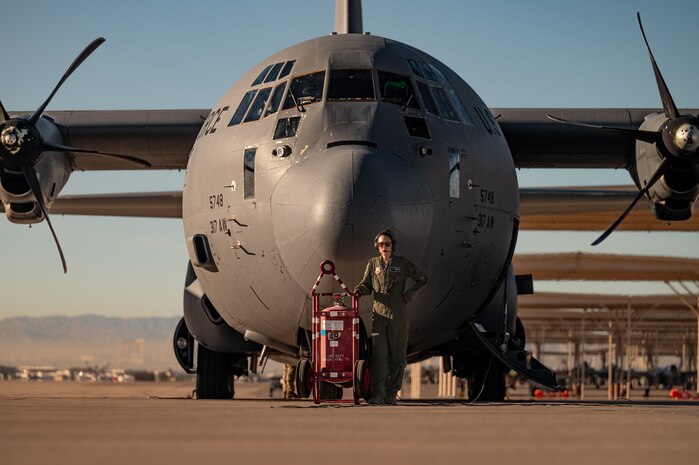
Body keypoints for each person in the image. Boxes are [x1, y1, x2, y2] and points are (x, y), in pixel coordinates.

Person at [354, 229, 427, 405]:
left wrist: (408, 296)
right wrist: (359, 290)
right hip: (379, 315)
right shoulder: (373, 264)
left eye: (387, 244)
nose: (384, 247)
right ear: (376, 246)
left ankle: (391, 394)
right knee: (379, 356)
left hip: (398, 315)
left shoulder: (402, 264)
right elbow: (367, 284)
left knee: (397, 356)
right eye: (381, 244)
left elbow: (422, 279)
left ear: (393, 245)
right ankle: (377, 394)